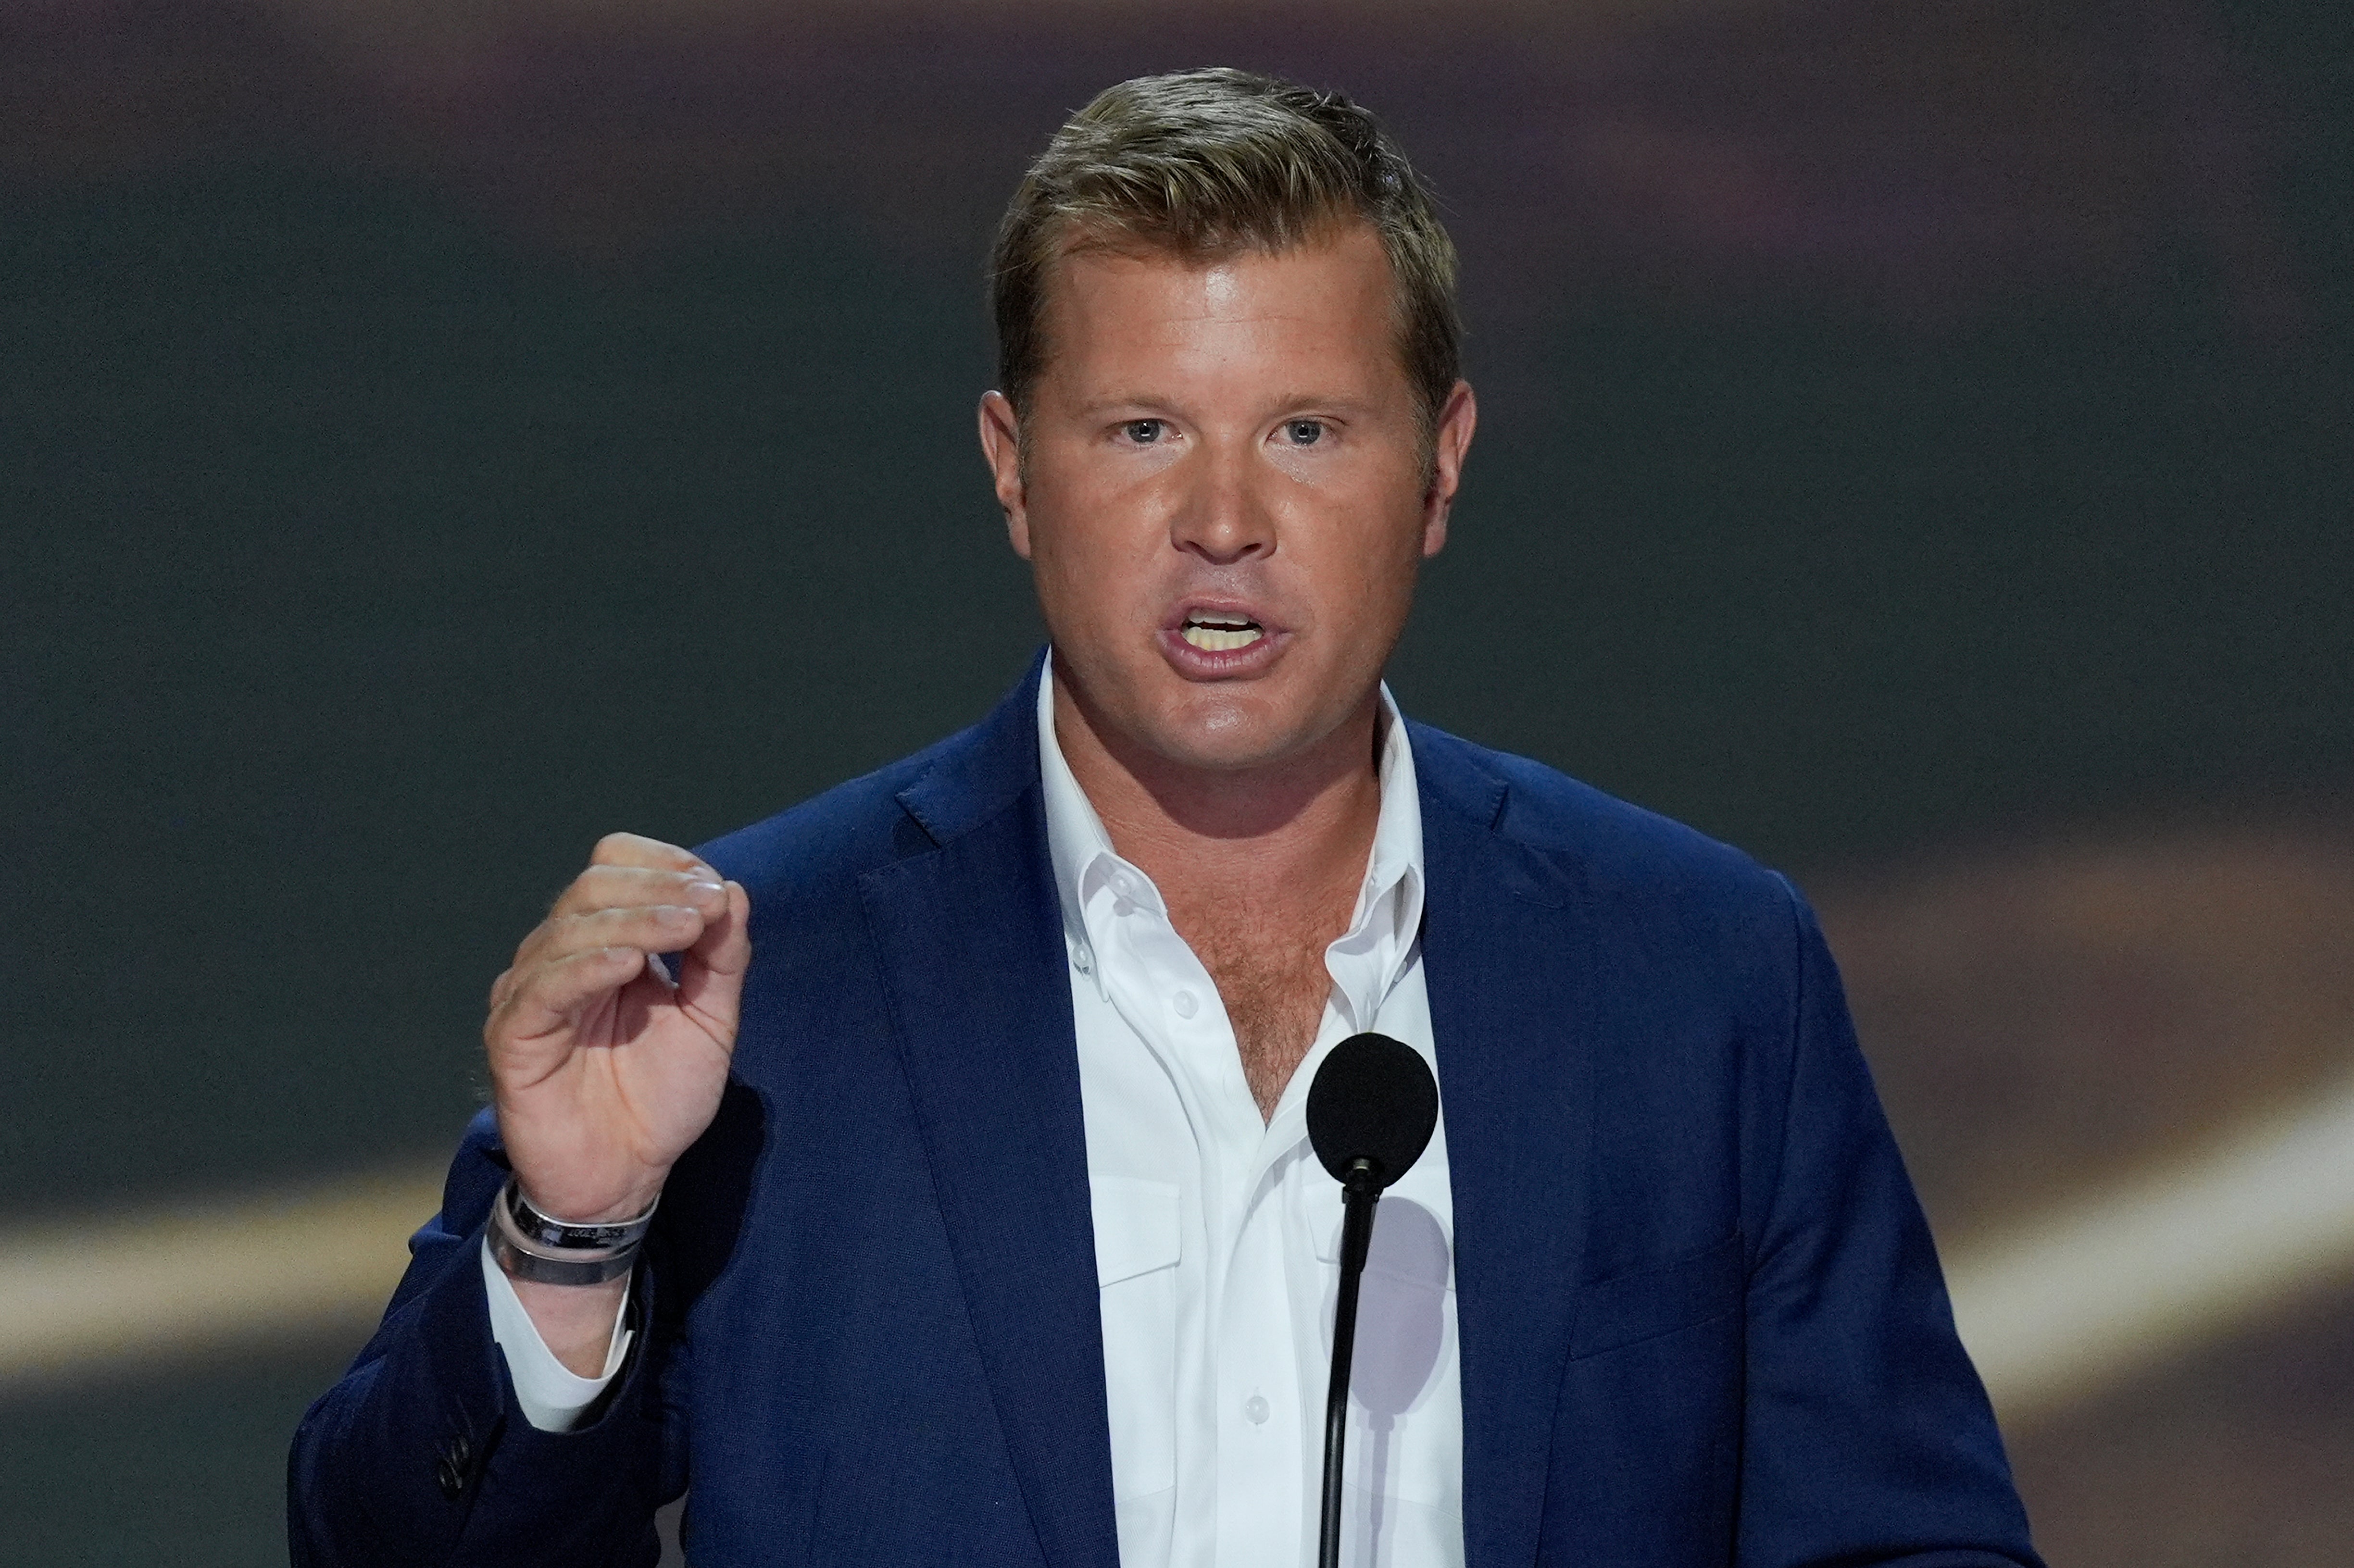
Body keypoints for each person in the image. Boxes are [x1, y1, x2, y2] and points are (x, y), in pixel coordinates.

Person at [289, 68, 2041, 1568]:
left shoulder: (1699, 969)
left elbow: (1907, 1537)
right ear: (1009, 467)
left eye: (1305, 428)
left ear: (1438, 465)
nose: (1223, 518)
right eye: (1141, 428)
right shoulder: (752, 983)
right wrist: (573, 1240)